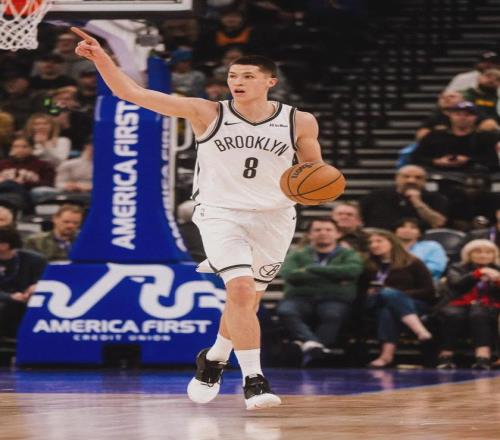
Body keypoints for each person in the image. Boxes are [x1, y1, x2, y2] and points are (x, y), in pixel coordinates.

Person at [73, 28, 323, 409]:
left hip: (275, 216)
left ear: (270, 82)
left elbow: (313, 171)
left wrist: (318, 183)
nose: (237, 82)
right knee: (240, 291)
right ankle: (254, 381)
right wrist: (101, 58)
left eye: (248, 76)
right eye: (233, 76)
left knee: (247, 302)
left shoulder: (299, 121)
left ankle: (214, 358)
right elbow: (133, 93)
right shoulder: (206, 112)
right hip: (220, 213)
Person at [277, 217, 363, 366]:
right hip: (300, 298)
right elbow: (289, 275)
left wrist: (311, 269)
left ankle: (307, 346)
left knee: (332, 314)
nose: (323, 233)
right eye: (317, 230)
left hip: (334, 299)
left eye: (328, 230)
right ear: (309, 234)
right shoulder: (297, 254)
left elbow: (352, 271)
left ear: (338, 234)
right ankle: (315, 346)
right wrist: (333, 278)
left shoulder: (349, 254)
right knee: (286, 311)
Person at [361, 229, 435, 368]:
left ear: (392, 243)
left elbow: (428, 290)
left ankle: (386, 356)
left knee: (388, 309)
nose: (374, 245)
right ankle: (419, 330)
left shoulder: (412, 262)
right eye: (371, 242)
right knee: (387, 293)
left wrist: (400, 296)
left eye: (379, 241)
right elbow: (359, 290)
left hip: (413, 303)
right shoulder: (367, 264)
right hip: (374, 302)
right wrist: (369, 292)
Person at [436, 239, 500, 370]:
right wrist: (477, 274)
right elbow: (456, 284)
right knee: (454, 315)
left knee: (479, 313)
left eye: (488, 252)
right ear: (469, 254)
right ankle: (446, 355)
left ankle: (483, 356)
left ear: (494, 255)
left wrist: (498, 280)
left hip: (488, 305)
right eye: (478, 252)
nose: (483, 255)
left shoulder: (498, 269)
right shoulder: (457, 267)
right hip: (459, 302)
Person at [410, 101, 500, 176]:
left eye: (467, 115)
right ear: (450, 116)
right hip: (438, 174)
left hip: (474, 176)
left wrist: (468, 160)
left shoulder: (486, 138)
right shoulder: (434, 136)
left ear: (475, 117)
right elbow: (416, 158)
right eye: (458, 114)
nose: (462, 117)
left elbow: (493, 161)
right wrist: (436, 161)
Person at [360, 165, 449, 230]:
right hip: (380, 239)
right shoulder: (376, 196)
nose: (411, 180)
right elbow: (359, 219)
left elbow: (439, 223)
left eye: (418, 178)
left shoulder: (436, 198)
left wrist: (418, 203)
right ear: (396, 178)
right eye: (406, 176)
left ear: (425, 181)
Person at [0, 227, 47, 339]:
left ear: (4, 246)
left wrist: (36, 287)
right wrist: (9, 297)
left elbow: (44, 281)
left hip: (27, 299)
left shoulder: (35, 260)